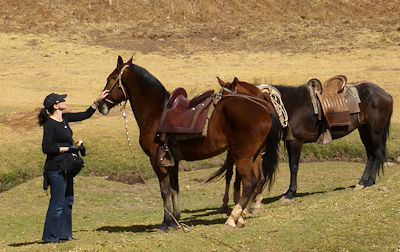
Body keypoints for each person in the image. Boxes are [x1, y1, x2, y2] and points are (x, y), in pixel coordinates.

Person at [38, 90, 109, 243]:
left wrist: (96, 101)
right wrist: (69, 149)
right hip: (55, 168)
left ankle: (65, 235)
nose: (64, 101)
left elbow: (85, 114)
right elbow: (46, 148)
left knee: (68, 201)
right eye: (61, 100)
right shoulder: (50, 124)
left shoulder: (65, 118)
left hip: (66, 167)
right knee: (57, 204)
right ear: (56, 105)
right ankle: (50, 238)